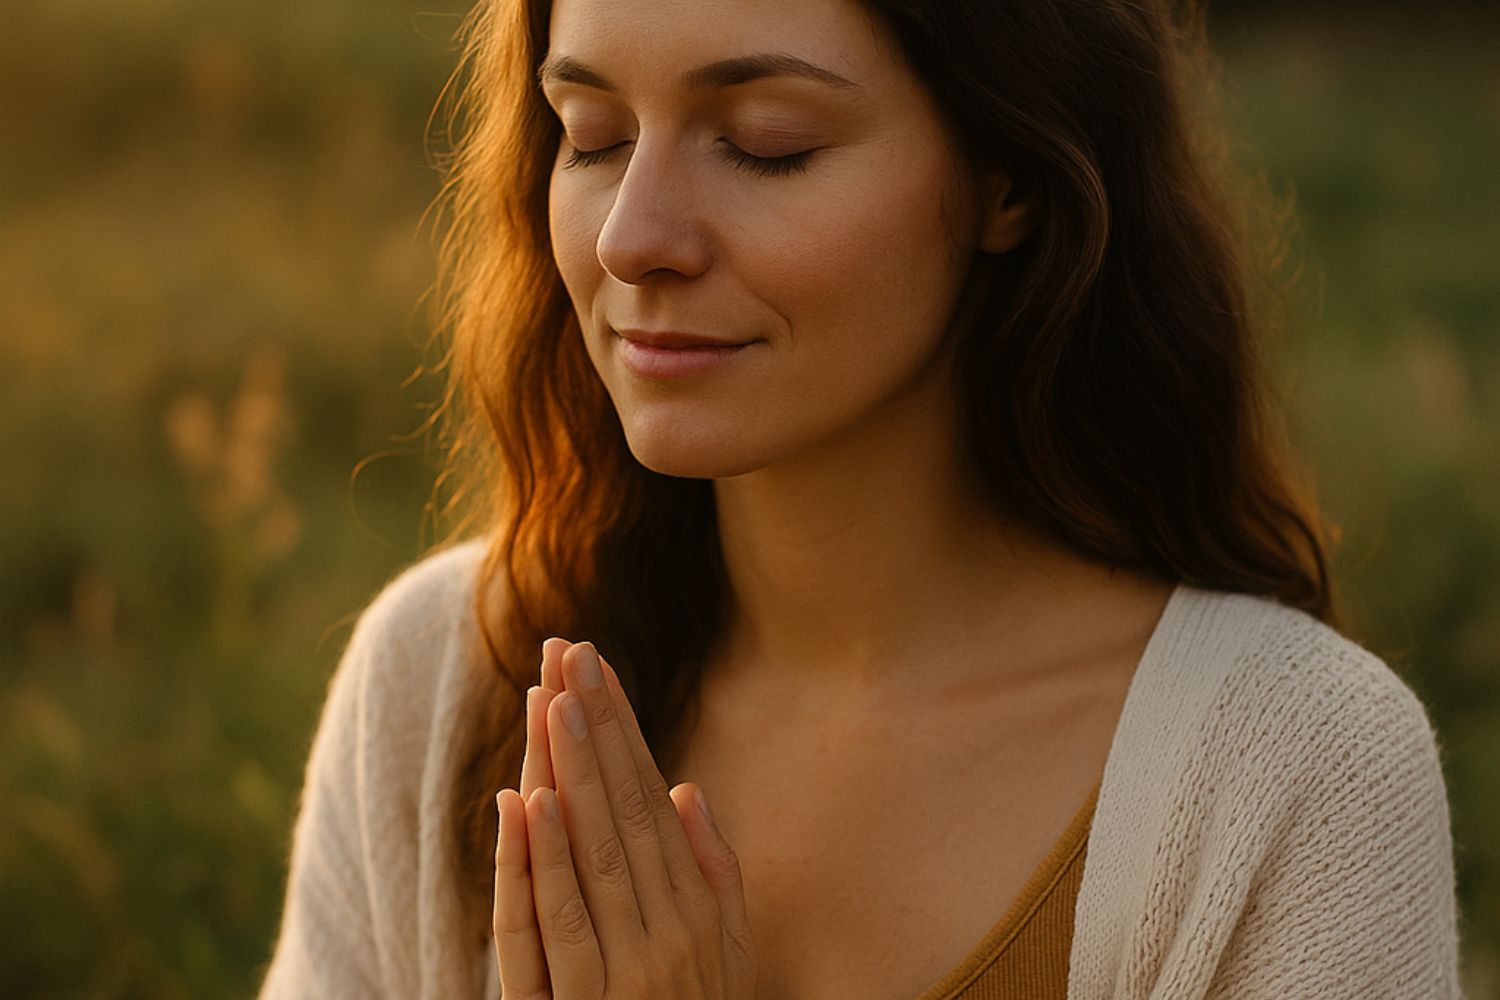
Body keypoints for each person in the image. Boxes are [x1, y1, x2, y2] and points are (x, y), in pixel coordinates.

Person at [257, 0, 1464, 996]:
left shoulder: (1299, 768)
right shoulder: (443, 684)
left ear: (1008, 179)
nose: (634, 237)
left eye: (769, 142)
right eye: (592, 135)